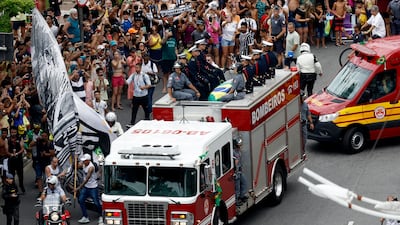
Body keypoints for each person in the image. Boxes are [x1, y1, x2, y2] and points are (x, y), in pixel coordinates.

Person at [75, 154, 102, 224]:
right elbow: (76, 166)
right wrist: (76, 159)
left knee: (96, 203)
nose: (83, 162)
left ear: (88, 161)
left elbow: (86, 179)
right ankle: (85, 217)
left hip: (93, 187)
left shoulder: (91, 167)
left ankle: (102, 215)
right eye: (83, 161)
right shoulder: (83, 164)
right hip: (86, 187)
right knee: (81, 200)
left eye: (85, 161)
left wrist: (78, 188)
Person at [7, 126, 25, 194]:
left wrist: (17, 153)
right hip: (11, 160)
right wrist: (10, 154)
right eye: (12, 132)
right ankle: (14, 188)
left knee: (20, 174)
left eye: (14, 132)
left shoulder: (20, 138)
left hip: (18, 159)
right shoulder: (8, 139)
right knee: (11, 175)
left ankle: (21, 185)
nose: (13, 133)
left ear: (16, 132)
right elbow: (6, 149)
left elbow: (22, 148)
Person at [233, 138, 247, 206]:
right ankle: (237, 200)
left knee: (244, 182)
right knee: (237, 188)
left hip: (240, 171)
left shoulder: (238, 151)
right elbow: (234, 162)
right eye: (238, 145)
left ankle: (242, 196)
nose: (240, 147)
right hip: (236, 172)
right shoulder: (233, 152)